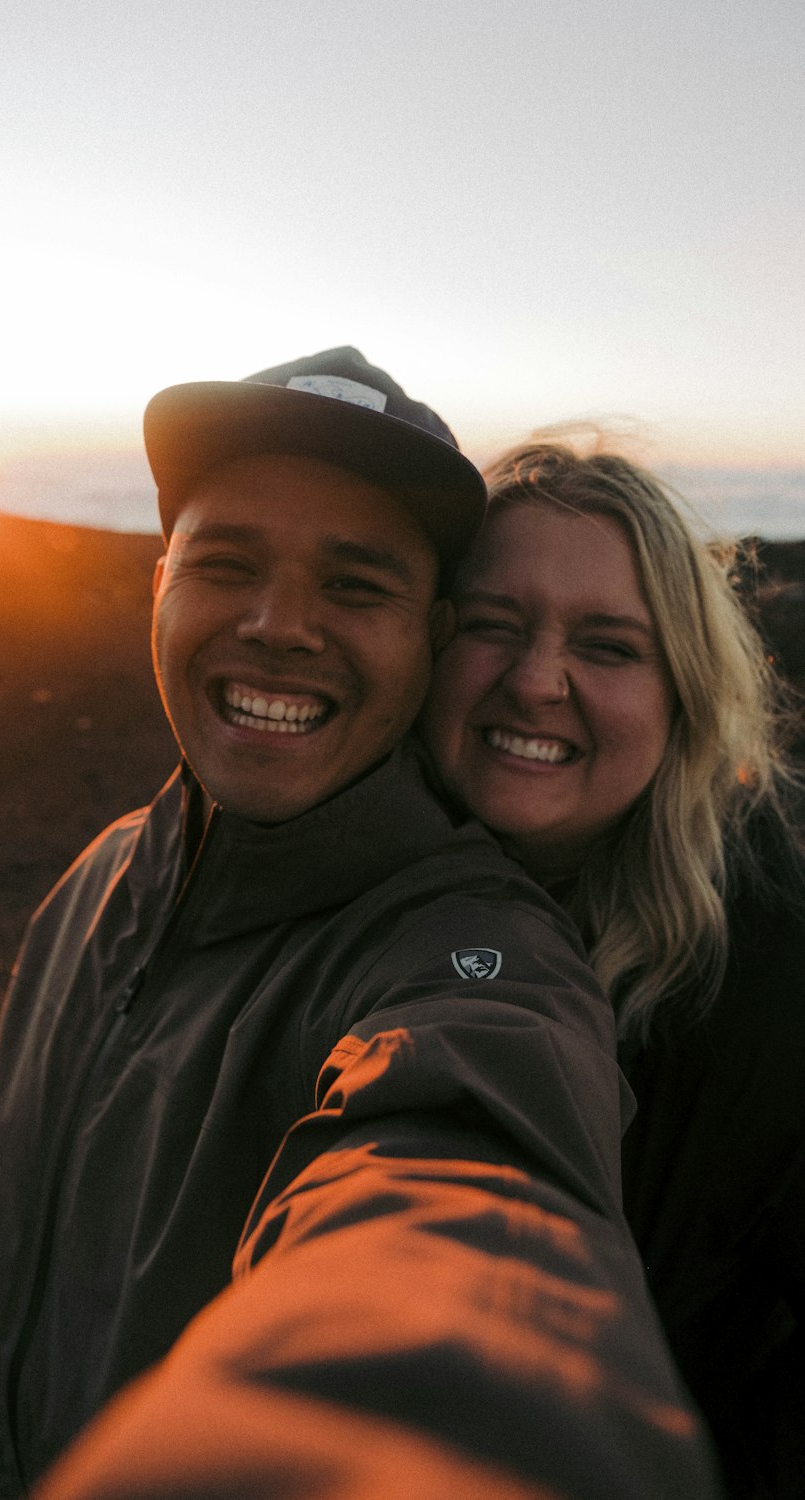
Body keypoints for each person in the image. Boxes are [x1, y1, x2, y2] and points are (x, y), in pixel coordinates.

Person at [0, 353, 722, 1500]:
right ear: (158, 587)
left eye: (355, 584)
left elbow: (461, 1164)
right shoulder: (95, 884)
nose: (280, 625)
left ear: (427, 636)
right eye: (227, 564)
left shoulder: (471, 950)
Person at [422, 437, 805, 1499]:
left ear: (682, 695)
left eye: (609, 645)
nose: (536, 681)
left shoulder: (771, 973)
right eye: (494, 625)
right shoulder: (334, 901)